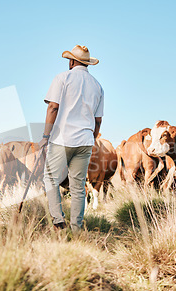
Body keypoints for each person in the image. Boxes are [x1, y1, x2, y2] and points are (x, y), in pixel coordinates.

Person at [39, 45, 104, 233]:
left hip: (62, 138)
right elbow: (98, 120)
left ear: (72, 61)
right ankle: (76, 229)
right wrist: (90, 137)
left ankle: (58, 221)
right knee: (78, 187)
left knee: (50, 178)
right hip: (85, 140)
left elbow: (53, 107)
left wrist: (45, 136)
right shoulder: (98, 86)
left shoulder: (62, 78)